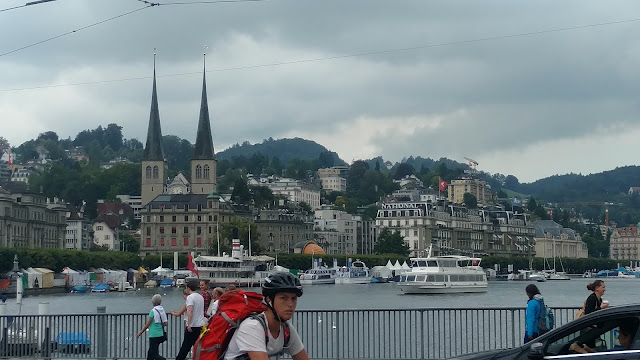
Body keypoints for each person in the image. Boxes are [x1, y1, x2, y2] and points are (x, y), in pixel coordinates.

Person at [223, 272, 310, 360]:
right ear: (269, 300)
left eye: (293, 298)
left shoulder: (286, 329)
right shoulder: (252, 327)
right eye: (284, 298)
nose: (290, 304)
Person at [170, 282, 206, 360]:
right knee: (197, 346)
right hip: (200, 325)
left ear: (188, 288)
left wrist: (189, 324)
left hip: (193, 325)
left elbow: (190, 310)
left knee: (185, 347)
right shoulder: (200, 297)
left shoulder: (190, 297)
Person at [569, 320, 637, 353]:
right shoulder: (630, 350)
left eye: (620, 334)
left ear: (627, 337)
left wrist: (580, 351)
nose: (618, 337)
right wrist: (588, 350)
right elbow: (606, 357)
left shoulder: (629, 353)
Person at [136, 294, 168, 360]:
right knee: (150, 353)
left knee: (154, 354)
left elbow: (147, 324)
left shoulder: (152, 311)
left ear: (153, 302)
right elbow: (165, 323)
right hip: (160, 334)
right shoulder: (162, 310)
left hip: (154, 335)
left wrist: (140, 332)